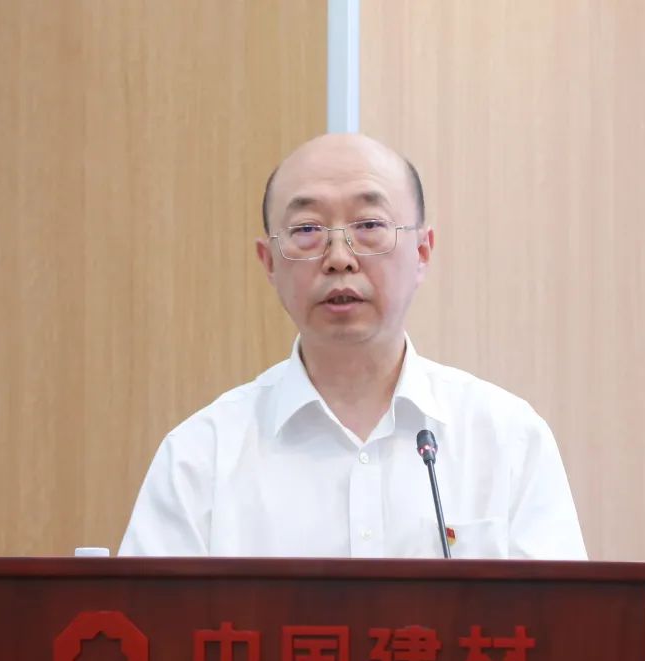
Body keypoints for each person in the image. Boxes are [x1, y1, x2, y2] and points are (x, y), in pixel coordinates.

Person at [118, 133, 586, 560]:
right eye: (307, 230)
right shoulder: (200, 456)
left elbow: (560, 621)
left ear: (422, 252)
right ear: (269, 262)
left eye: (369, 225)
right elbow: (152, 624)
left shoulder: (508, 440)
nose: (339, 258)